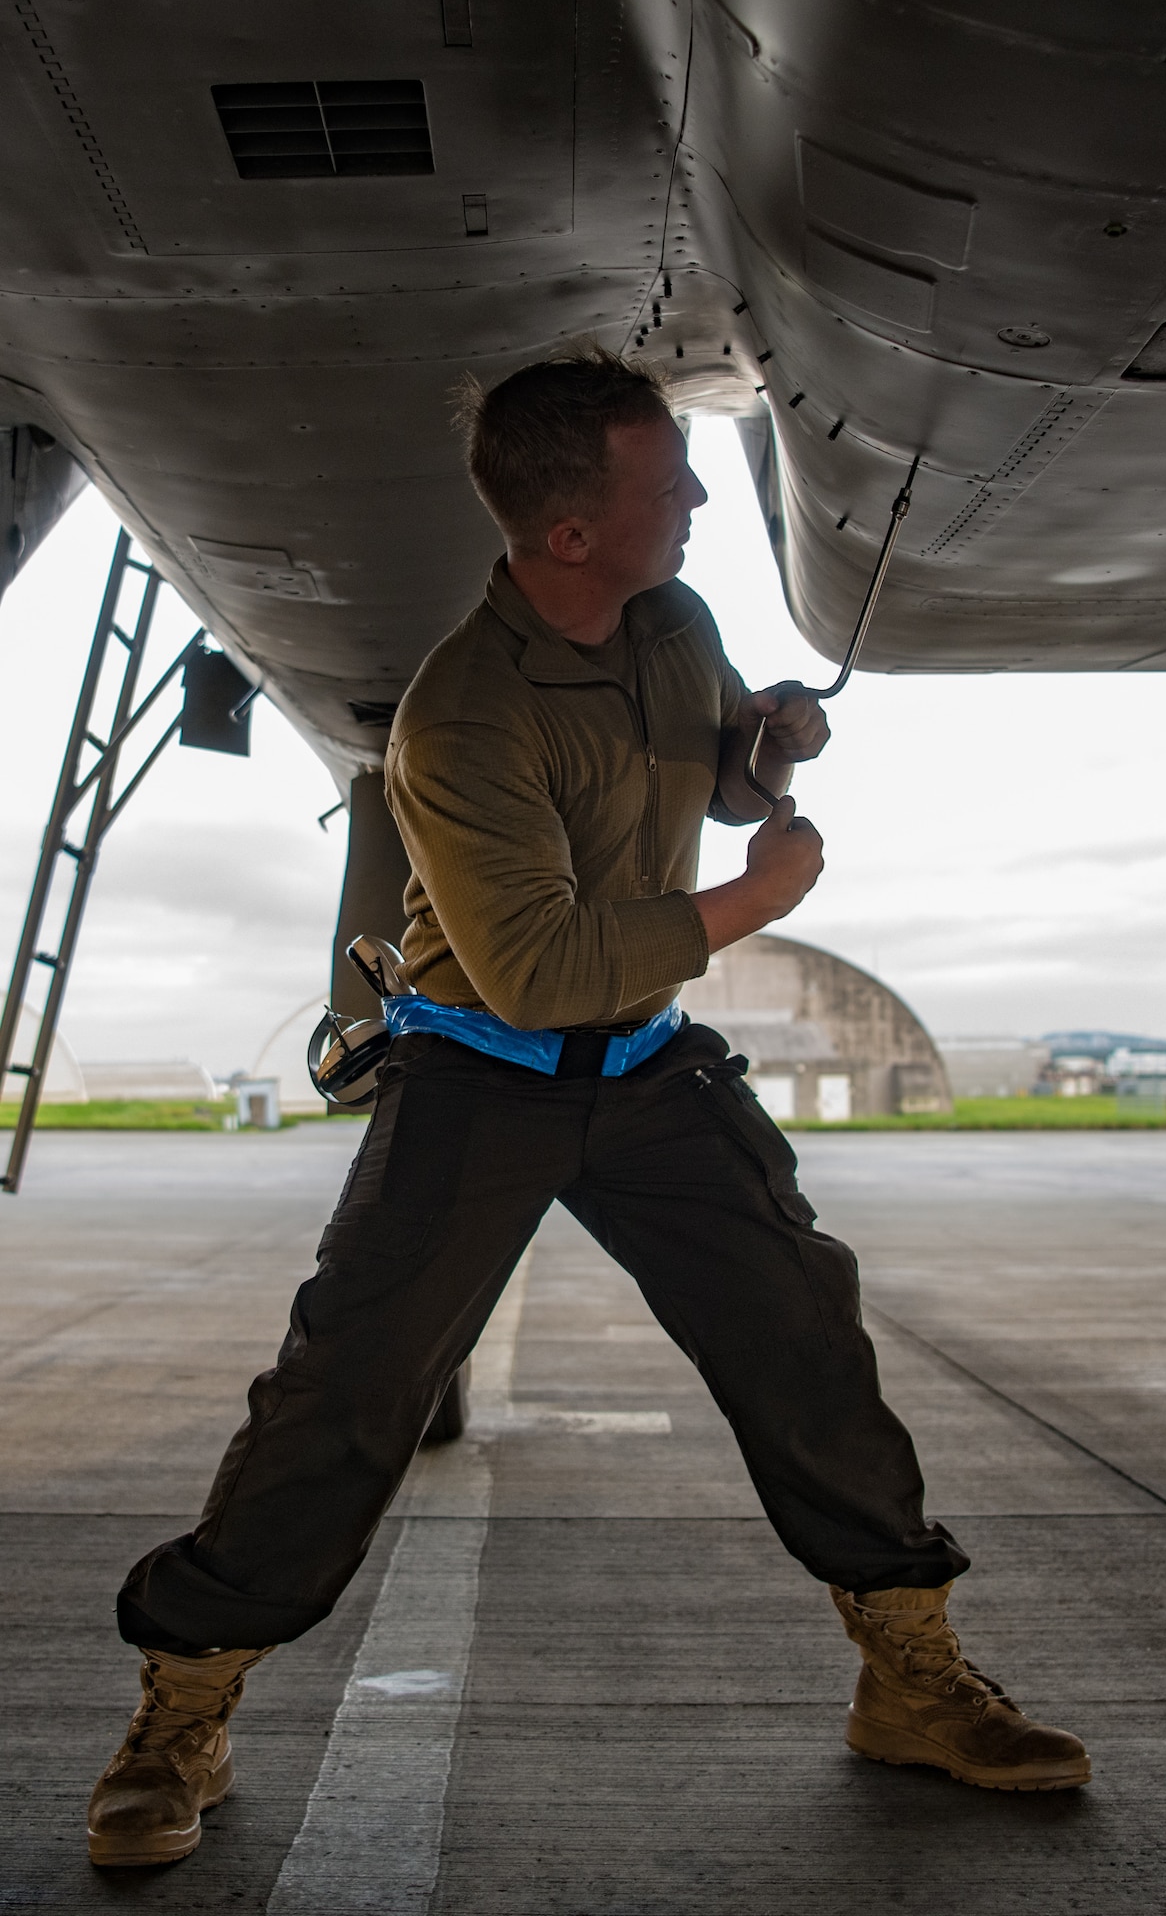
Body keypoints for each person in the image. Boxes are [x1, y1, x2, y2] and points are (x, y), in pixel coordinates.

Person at [86, 348, 1090, 1868]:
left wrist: (761, 746)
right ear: (567, 534)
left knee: (804, 1340)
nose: (695, 497)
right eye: (662, 482)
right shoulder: (461, 718)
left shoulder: (669, 617)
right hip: (483, 1069)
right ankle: (185, 1705)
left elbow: (711, 773)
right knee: (345, 1392)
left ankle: (912, 1684)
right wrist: (756, 898)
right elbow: (544, 968)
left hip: (643, 1070)